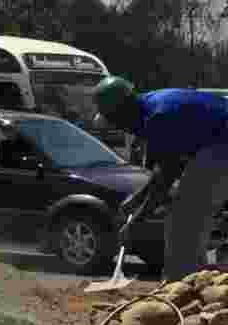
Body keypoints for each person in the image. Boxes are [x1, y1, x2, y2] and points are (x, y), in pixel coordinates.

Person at [93, 76, 228, 281]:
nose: (119, 129)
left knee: (185, 216)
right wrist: (137, 198)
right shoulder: (149, 105)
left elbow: (167, 174)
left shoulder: (158, 117)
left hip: (222, 144)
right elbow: (163, 169)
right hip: (216, 142)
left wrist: (136, 221)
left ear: (121, 111)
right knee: (187, 213)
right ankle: (192, 278)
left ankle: (181, 283)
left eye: (114, 122)